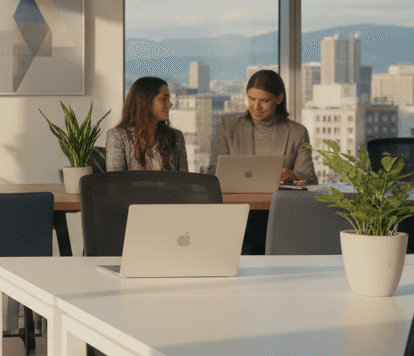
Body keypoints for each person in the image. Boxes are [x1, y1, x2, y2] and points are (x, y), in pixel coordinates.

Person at [208, 68, 317, 254]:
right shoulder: (227, 125)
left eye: (264, 101)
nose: (255, 107)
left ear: (279, 99)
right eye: (251, 99)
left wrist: (292, 177)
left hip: (279, 213)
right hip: (236, 213)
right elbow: (213, 172)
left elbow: (310, 180)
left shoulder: (297, 132)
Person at [105, 76, 188, 172]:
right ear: (146, 102)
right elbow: (115, 182)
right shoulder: (118, 136)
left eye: (168, 98)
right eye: (163, 98)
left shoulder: (176, 137)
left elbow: (184, 181)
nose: (170, 104)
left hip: (170, 188)